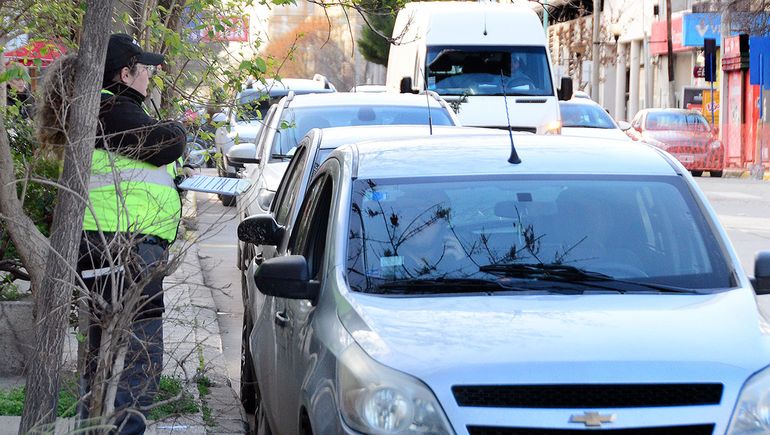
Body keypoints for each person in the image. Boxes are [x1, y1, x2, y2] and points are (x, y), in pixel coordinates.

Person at [77, 33, 186, 434]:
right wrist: (178, 128)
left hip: (110, 246)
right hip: (125, 248)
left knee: (106, 355)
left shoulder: (99, 109)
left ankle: (96, 427)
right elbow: (166, 143)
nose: (149, 78)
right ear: (125, 74)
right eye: (144, 70)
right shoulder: (113, 110)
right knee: (139, 357)